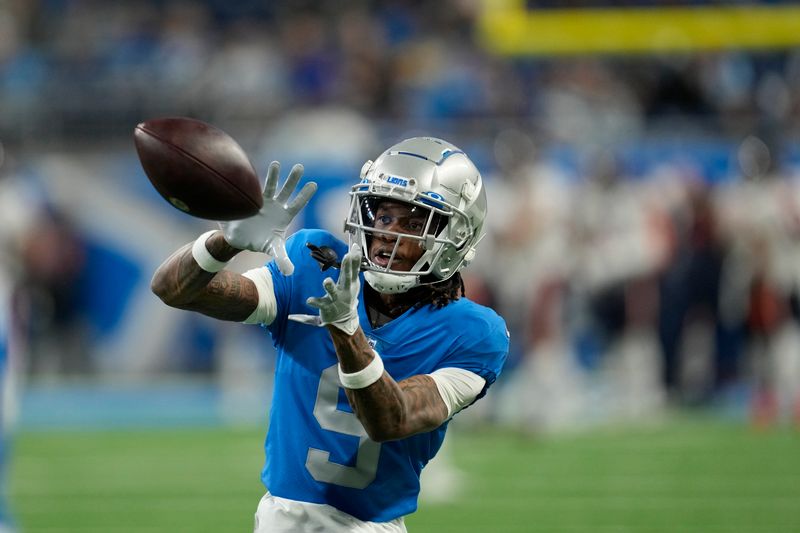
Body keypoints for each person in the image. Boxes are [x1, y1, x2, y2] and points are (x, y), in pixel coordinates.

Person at [151, 137, 509, 532]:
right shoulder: (314, 265)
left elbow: (393, 419)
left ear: (456, 236)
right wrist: (225, 243)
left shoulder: (475, 332)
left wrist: (347, 330)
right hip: (281, 521)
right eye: (384, 217)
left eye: (413, 223)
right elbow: (173, 289)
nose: (389, 234)